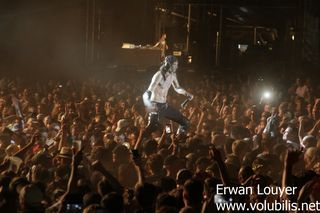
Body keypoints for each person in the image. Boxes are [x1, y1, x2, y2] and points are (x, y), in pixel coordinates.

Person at [142, 55, 193, 136]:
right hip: (156, 106)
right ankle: (140, 142)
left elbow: (177, 88)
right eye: (175, 65)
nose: (177, 67)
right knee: (153, 128)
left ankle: (176, 139)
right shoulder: (159, 75)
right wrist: (150, 107)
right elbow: (147, 93)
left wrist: (187, 93)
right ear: (168, 64)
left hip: (164, 106)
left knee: (184, 122)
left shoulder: (173, 75)